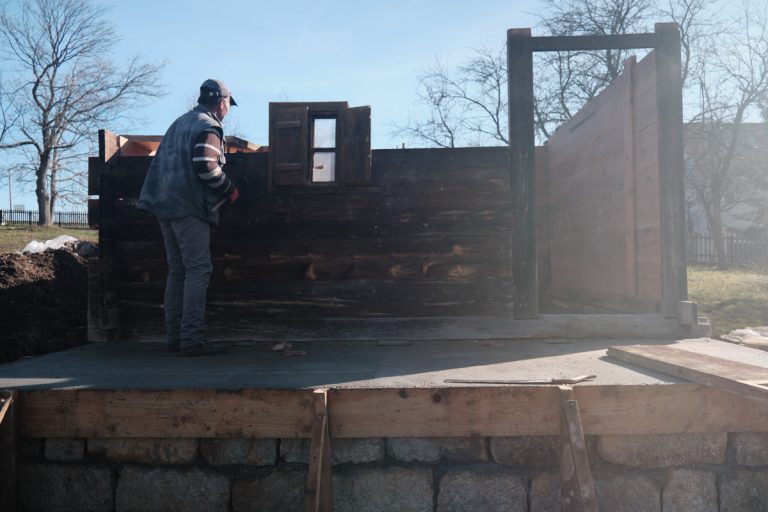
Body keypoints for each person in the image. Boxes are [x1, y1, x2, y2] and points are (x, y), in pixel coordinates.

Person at [137, 79, 240, 356]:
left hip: (163, 205)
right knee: (198, 269)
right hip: (189, 207)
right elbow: (206, 166)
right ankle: (192, 341)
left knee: (179, 271)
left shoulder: (179, 123)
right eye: (229, 104)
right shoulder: (209, 125)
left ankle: (174, 339)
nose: (228, 109)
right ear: (221, 102)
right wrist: (229, 189)